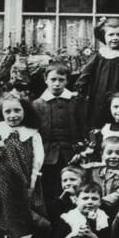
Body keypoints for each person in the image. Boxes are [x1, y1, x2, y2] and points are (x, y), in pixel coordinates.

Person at [0, 92, 46, 238]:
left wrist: (31, 184)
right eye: (7, 111)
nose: (12, 115)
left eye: (17, 110)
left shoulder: (32, 134)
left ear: (25, 111)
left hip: (20, 186)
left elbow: (37, 161)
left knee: (15, 224)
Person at [32, 61, 82, 206]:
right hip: (47, 155)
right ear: (46, 79)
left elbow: (81, 125)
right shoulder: (37, 104)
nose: (57, 84)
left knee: (71, 187)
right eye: (53, 79)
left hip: (71, 154)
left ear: (67, 80)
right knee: (49, 190)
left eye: (61, 80)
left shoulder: (75, 101)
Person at [77, 18, 119, 129]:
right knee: (98, 120)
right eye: (111, 35)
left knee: (118, 120)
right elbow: (86, 74)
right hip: (99, 95)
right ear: (103, 36)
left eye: (118, 35)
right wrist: (81, 89)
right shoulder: (99, 56)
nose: (115, 38)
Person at [88, 134, 119, 219]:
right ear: (102, 154)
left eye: (118, 153)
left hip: (116, 213)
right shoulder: (94, 170)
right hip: (93, 210)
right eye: (109, 153)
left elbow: (118, 194)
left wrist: (100, 202)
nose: (113, 156)